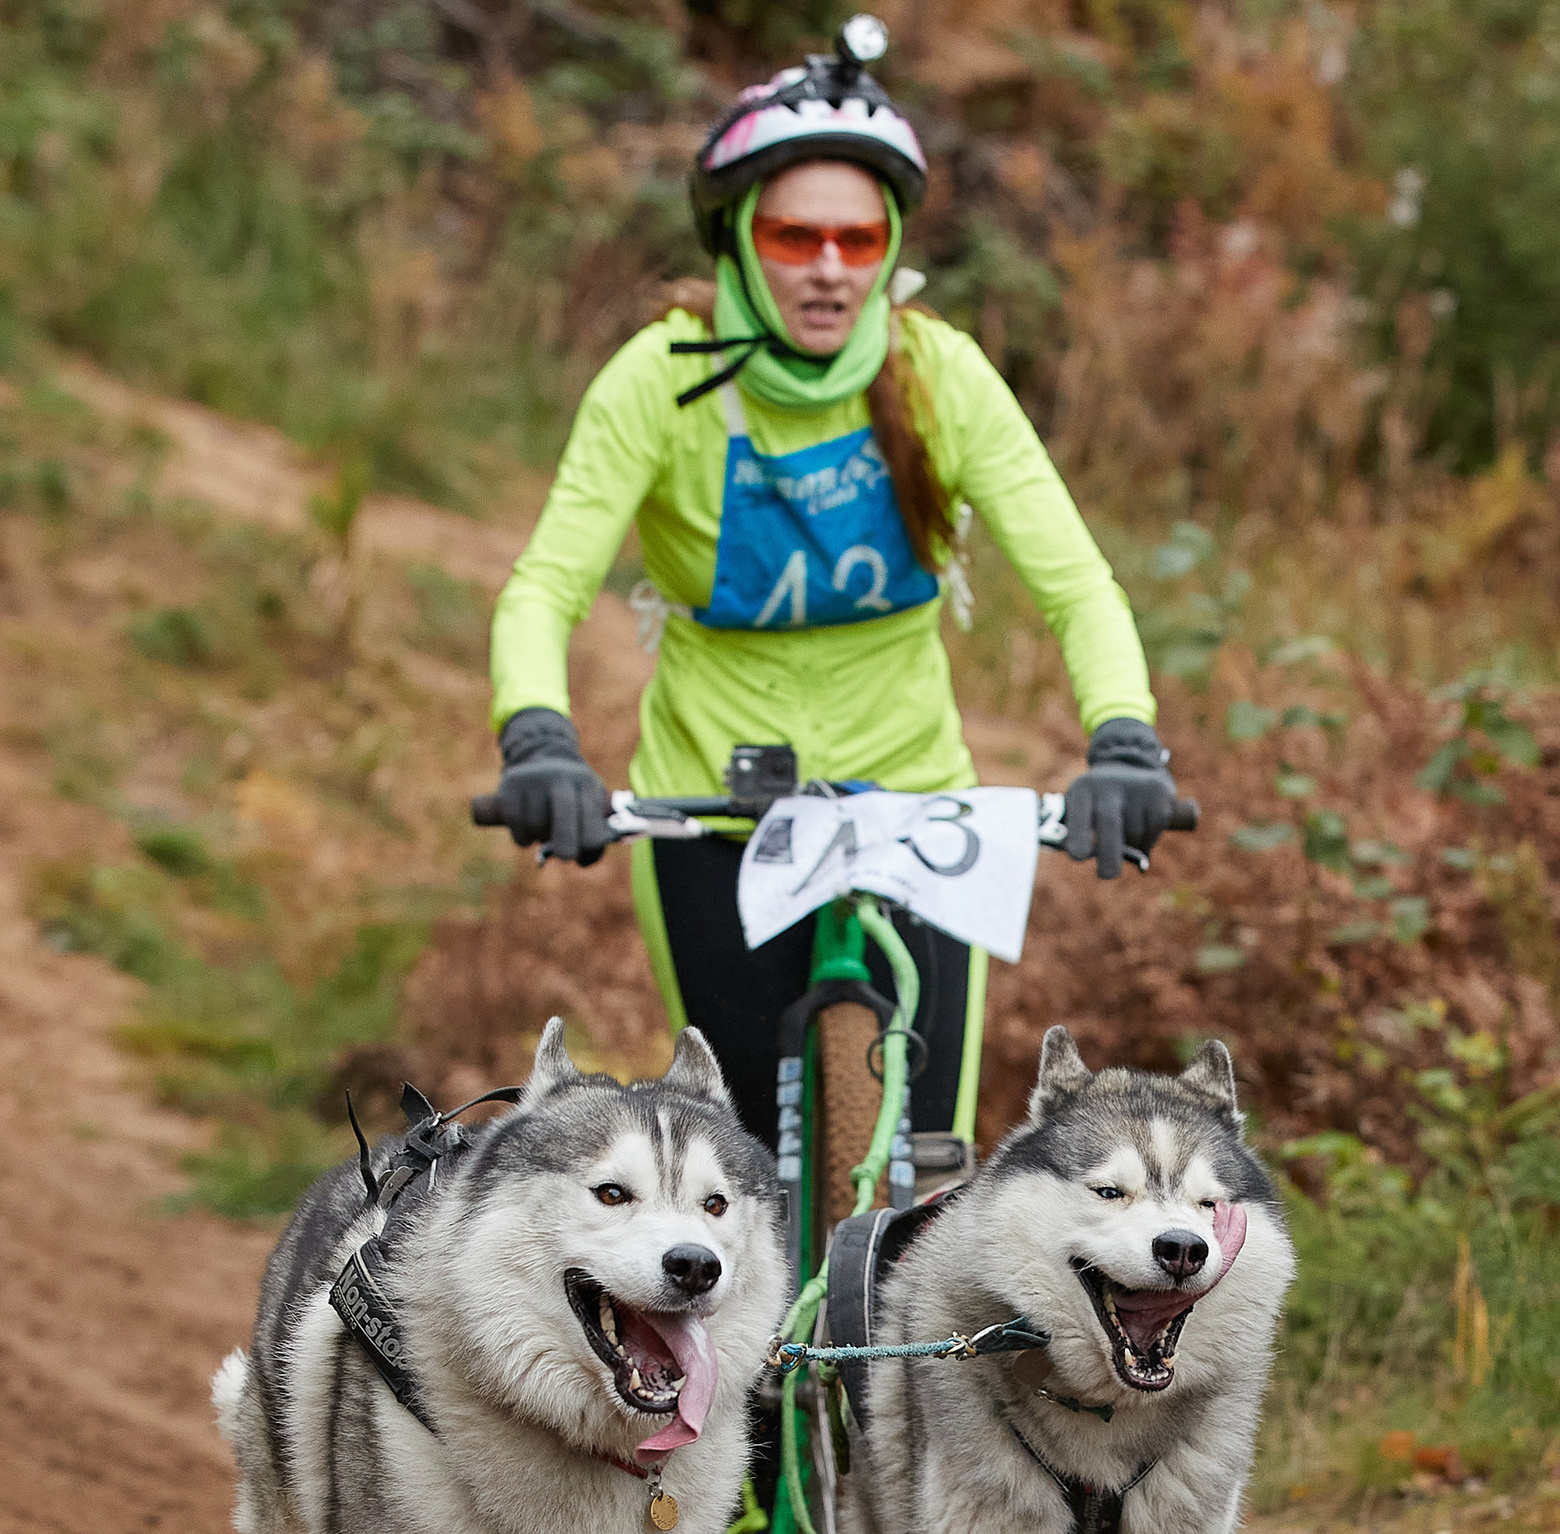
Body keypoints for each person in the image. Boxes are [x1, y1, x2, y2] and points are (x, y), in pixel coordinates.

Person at [480, 14, 1180, 1156]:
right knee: (740, 1166)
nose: (825, 269)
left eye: (859, 243)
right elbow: (543, 587)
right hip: (711, 804)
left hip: (915, 807)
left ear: (891, 242)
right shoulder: (660, 378)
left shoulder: (939, 374)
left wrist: (1124, 743)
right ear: (739, 241)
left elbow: (1079, 586)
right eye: (795, 235)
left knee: (920, 1171)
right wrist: (539, 738)